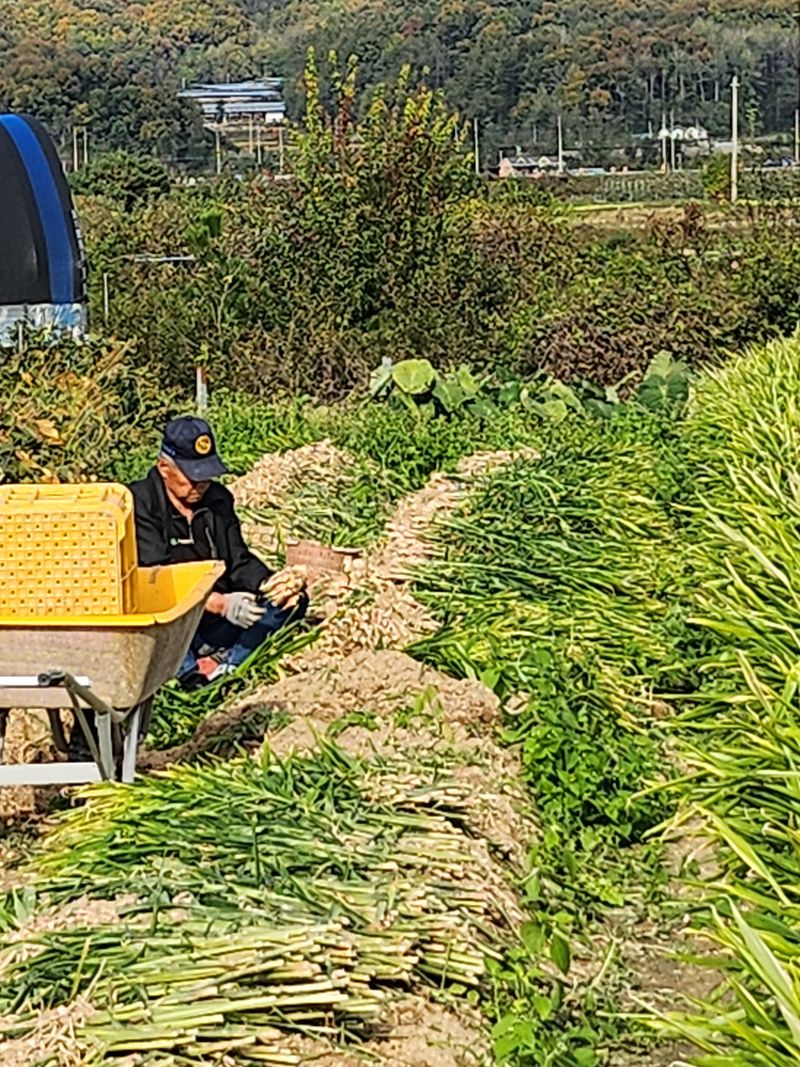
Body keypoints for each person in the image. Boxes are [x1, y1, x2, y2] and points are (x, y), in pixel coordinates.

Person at [129, 416, 308, 689]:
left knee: (291, 603)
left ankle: (228, 666)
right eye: (192, 478)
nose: (200, 485)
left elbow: (238, 559)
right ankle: (190, 675)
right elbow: (158, 581)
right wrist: (219, 604)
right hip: (177, 618)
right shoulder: (140, 504)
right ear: (164, 468)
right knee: (156, 618)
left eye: (206, 477)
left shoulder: (218, 499)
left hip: (220, 619)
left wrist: (271, 583)